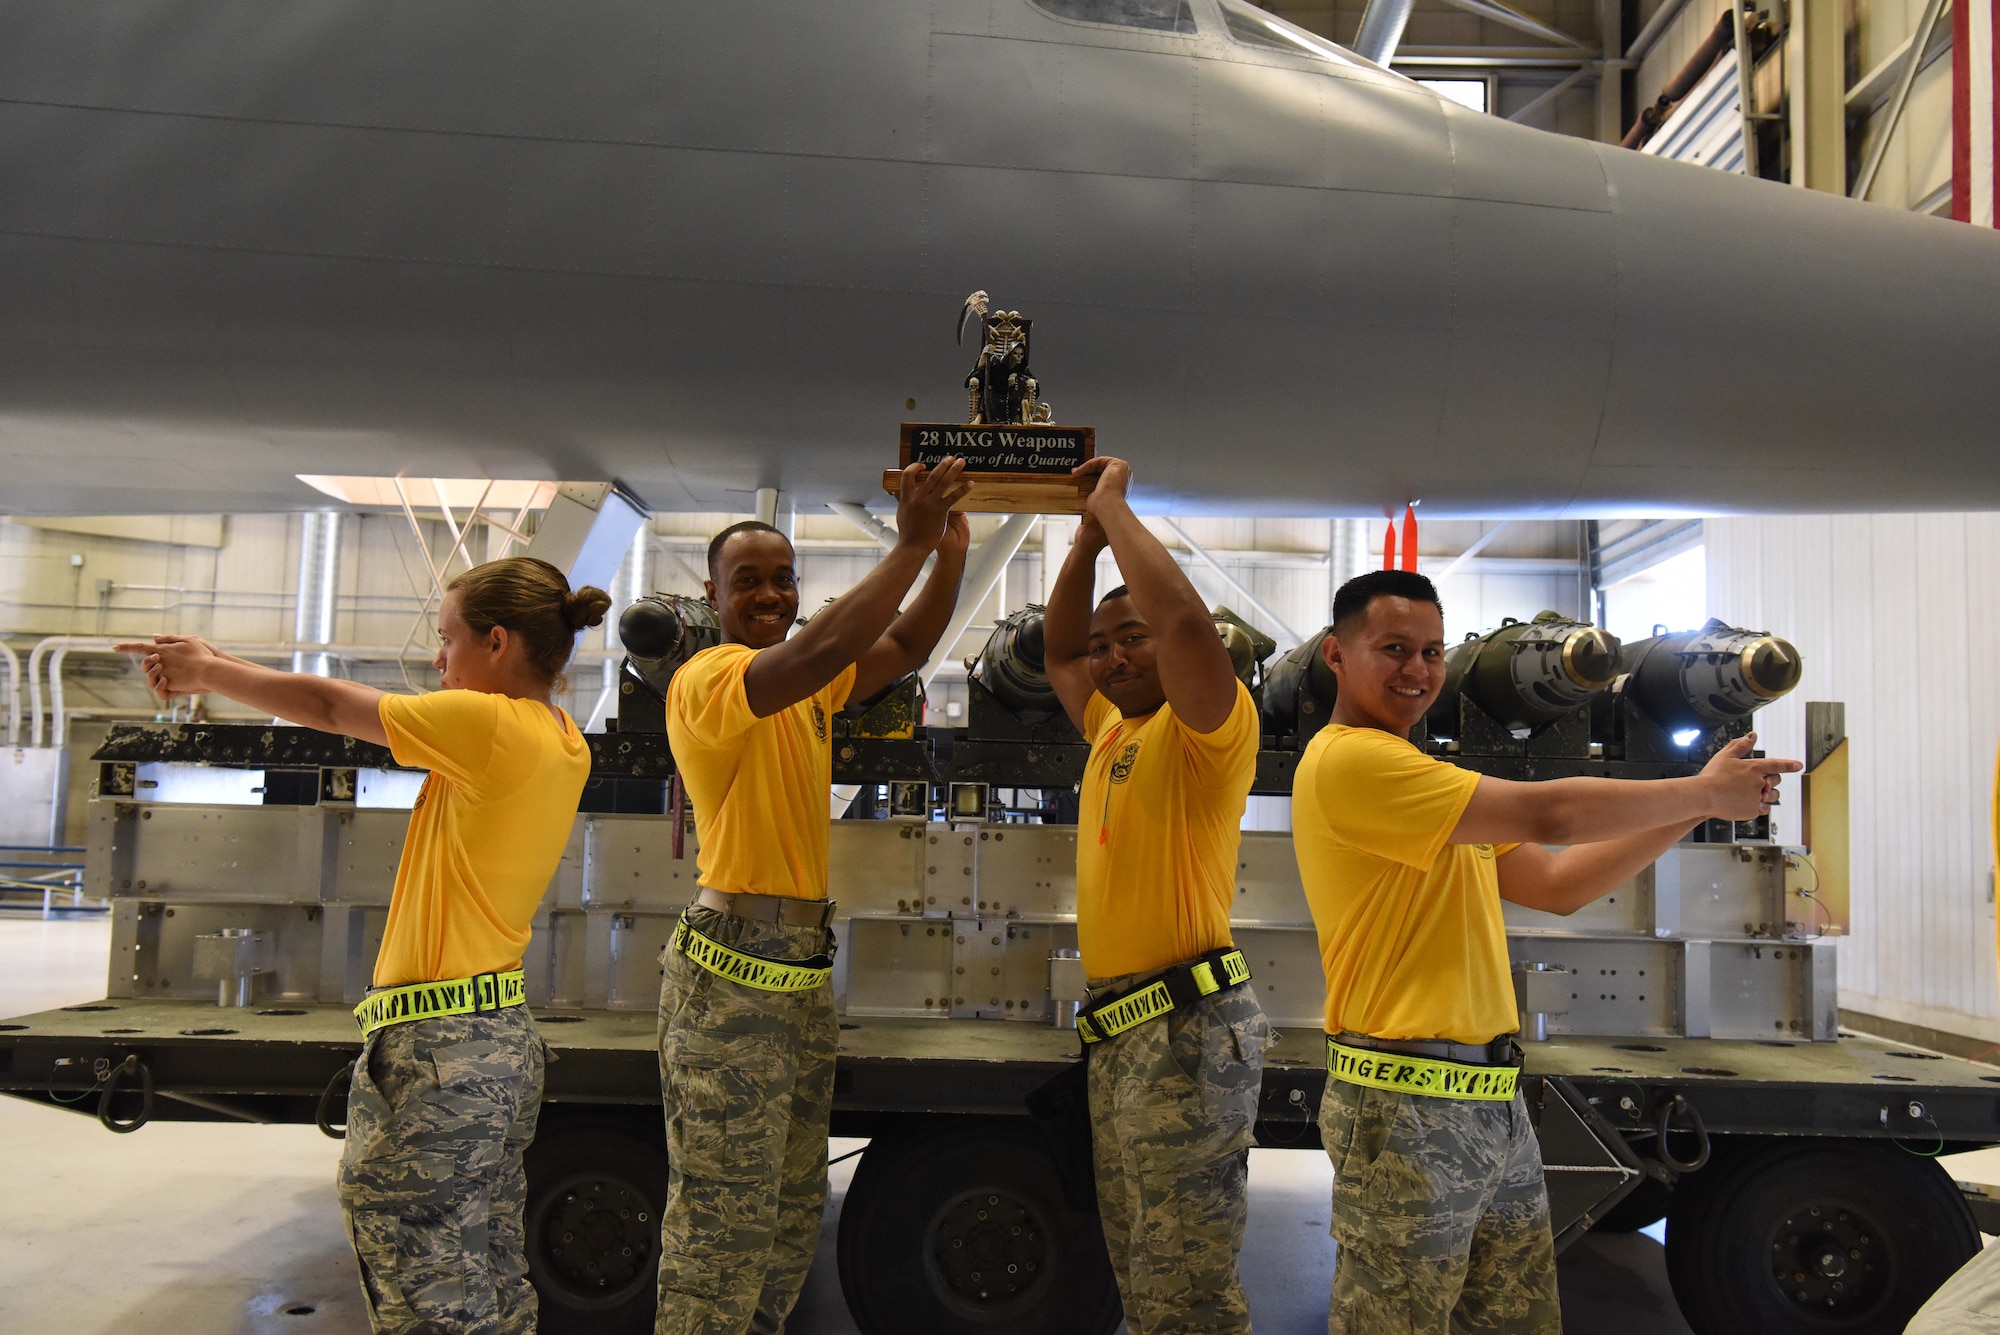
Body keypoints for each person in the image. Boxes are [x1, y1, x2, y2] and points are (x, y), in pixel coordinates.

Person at [1292, 569, 1801, 1335]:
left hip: (1493, 1097)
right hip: (1406, 1105)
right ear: (1335, 654)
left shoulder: (1432, 788)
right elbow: (1553, 809)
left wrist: (1695, 802)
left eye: (1432, 650)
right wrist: (1699, 795)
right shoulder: (1350, 763)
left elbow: (1561, 881)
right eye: (1394, 648)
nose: (1419, 669)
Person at [118, 556, 609, 1335]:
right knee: (482, 1270)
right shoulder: (556, 735)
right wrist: (214, 666)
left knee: (426, 1287)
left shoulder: (491, 726)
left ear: (497, 641)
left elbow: (326, 702)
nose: (437, 661)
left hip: (441, 1045)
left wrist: (210, 669)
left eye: (446, 641)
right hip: (492, 1035)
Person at [656, 459, 970, 1335]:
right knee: (723, 1223)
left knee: (791, 1213)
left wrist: (947, 555)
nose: (768, 593)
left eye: (782, 578)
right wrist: (908, 543)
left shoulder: (805, 687)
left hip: (796, 973)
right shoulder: (713, 680)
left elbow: (904, 648)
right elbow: (826, 647)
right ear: (713, 596)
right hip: (732, 970)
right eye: (746, 580)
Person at [1042, 456, 1267, 1335]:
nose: (1112, 655)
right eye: (1106, 645)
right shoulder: (1109, 728)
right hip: (1122, 1031)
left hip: (1186, 1033)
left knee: (1188, 1293)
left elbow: (1181, 620)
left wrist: (1114, 510)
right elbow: (1059, 648)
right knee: (1142, 1272)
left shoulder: (1207, 725)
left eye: (1129, 638)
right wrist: (1083, 544)